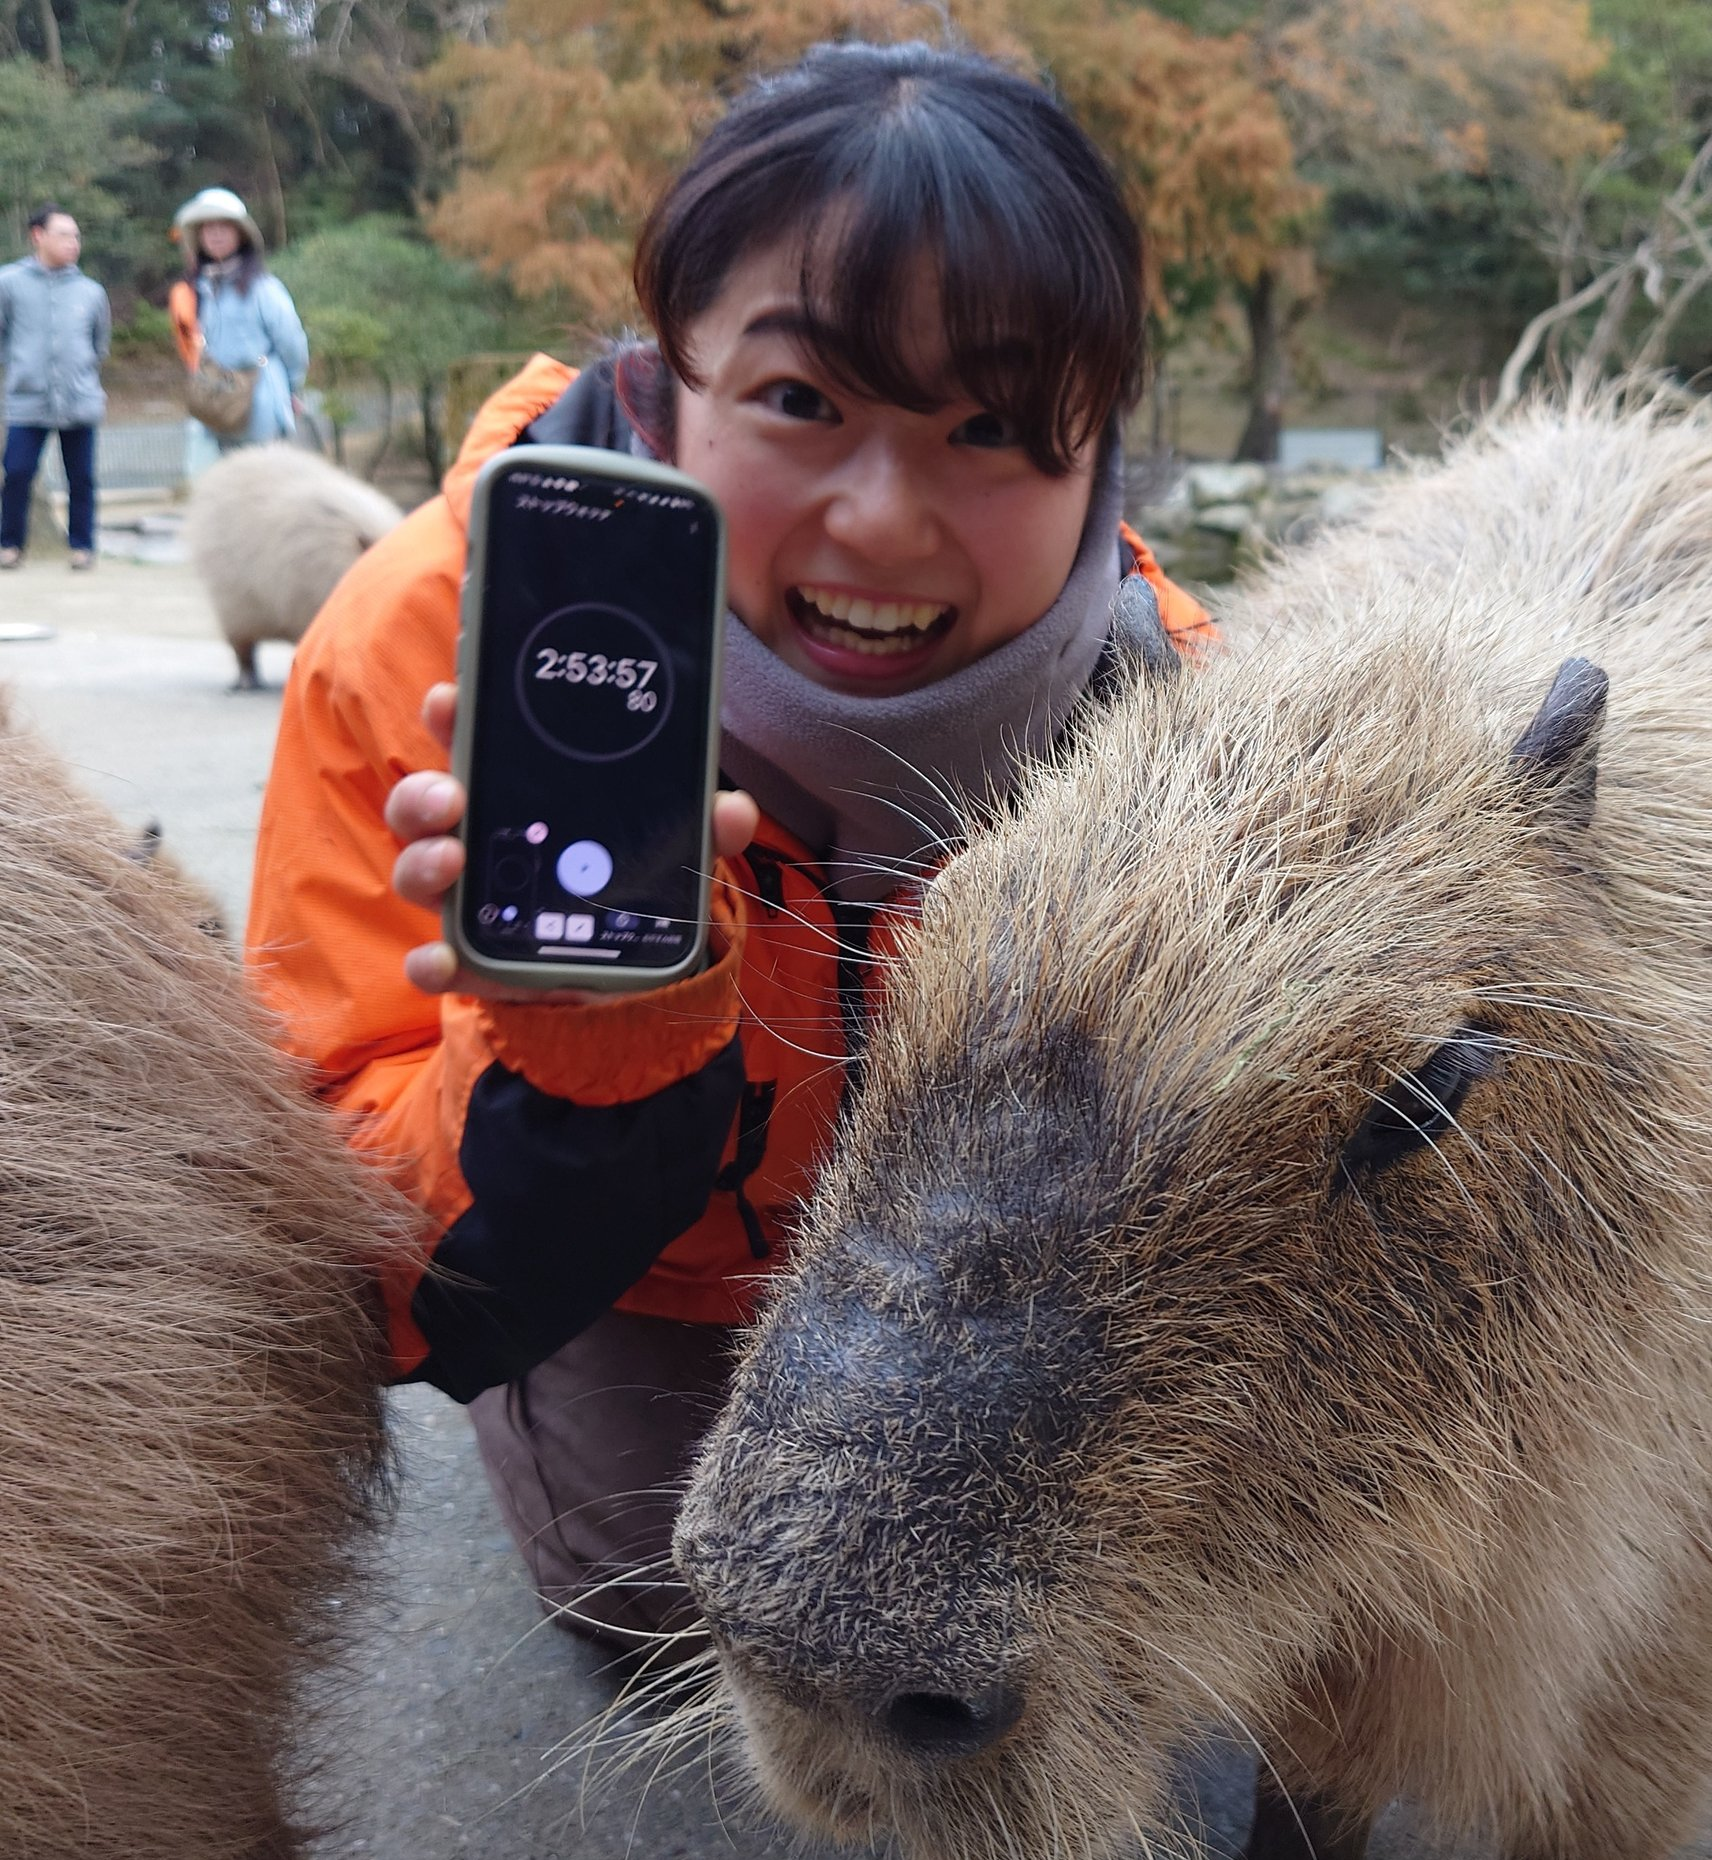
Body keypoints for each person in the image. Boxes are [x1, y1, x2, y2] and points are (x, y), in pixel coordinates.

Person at [244, 41, 1213, 1657]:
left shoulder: (1165, 692)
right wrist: (575, 1073)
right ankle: (573, 1409)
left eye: (989, 425)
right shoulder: (433, 642)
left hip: (969, 1262)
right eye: (797, 401)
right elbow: (350, 1269)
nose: (883, 519)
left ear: (1096, 447)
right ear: (661, 388)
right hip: (652, 1268)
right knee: (663, 1605)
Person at [0, 206, 109, 571]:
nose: (72, 242)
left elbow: (99, 345)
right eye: (63, 234)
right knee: (16, 472)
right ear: (38, 236)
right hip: (27, 399)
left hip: (79, 398)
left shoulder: (90, 292)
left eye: (76, 236)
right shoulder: (9, 283)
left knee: (81, 477)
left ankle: (83, 547)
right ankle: (10, 545)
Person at [168, 188, 308, 471]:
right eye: (209, 228)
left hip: (261, 404)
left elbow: (292, 344)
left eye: (224, 227)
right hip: (217, 405)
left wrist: (291, 388)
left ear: (240, 234)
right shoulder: (200, 290)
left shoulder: (264, 288)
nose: (216, 234)